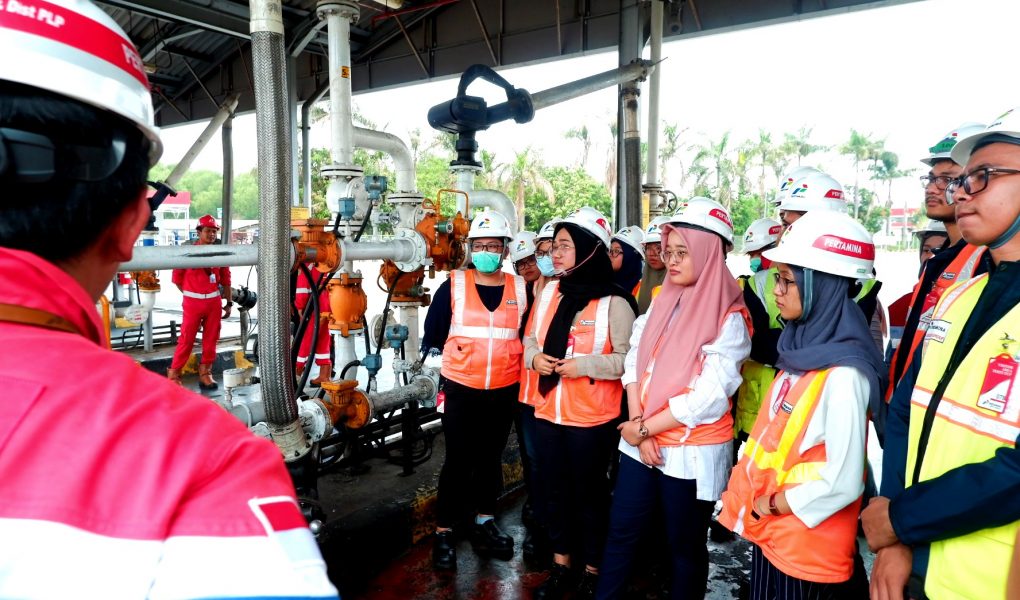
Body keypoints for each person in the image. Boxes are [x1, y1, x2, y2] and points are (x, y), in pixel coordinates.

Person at [0, 2, 338, 596]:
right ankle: (186, 371)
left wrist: (230, 288)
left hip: (216, 305)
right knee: (188, 343)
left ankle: (200, 367)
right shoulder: (204, 465)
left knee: (207, 345)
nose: (207, 236)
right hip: (195, 306)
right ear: (134, 222)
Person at [863, 112, 1020, 600]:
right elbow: (908, 409)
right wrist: (894, 534)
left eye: (983, 176)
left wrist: (901, 520)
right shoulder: (960, 295)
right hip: (917, 567)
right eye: (962, 180)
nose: (962, 192)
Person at [720, 210, 884, 600]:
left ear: (821, 288)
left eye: (787, 281)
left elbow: (843, 482)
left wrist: (774, 503)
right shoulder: (800, 352)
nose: (776, 290)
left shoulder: (844, 374)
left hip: (807, 554)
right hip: (774, 537)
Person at [597, 198, 751, 599]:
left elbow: (708, 399)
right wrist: (639, 431)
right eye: (670, 252)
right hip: (641, 441)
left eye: (683, 253)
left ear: (708, 253)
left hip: (689, 450)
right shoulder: (663, 300)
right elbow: (635, 362)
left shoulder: (730, 318)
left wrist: (644, 428)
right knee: (622, 531)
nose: (672, 260)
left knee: (683, 547)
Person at [524, 207, 637, 599]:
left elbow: (628, 362)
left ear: (589, 250)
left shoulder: (615, 303)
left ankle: (592, 570)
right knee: (553, 493)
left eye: (564, 246)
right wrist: (536, 359)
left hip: (591, 420)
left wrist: (584, 365)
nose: (554, 254)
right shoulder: (550, 291)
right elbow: (530, 342)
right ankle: (561, 566)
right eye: (554, 246)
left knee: (589, 497)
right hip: (548, 412)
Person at [420, 209, 527, 570]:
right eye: (478, 245)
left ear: (505, 251)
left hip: (503, 391)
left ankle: (484, 520)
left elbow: (529, 338)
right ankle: (445, 531)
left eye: (492, 245)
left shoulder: (521, 290)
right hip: (462, 390)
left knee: (490, 459)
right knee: (457, 461)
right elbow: (433, 337)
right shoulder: (454, 286)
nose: (485, 251)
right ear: (469, 248)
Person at [885, 123, 991, 400]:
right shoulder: (941, 257)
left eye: (947, 179)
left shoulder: (985, 259)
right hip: (908, 402)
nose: (934, 188)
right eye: (931, 179)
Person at [733, 218, 784, 447]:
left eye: (759, 252)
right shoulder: (750, 285)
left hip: (781, 396)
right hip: (753, 395)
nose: (754, 259)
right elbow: (749, 341)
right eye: (750, 254)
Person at [168, 214, 233, 389]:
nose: (212, 234)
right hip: (193, 303)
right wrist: (190, 295)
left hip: (214, 303)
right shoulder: (186, 253)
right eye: (208, 231)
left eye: (214, 231)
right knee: (187, 339)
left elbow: (226, 278)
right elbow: (177, 279)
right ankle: (174, 374)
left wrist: (229, 302)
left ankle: (206, 373)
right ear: (199, 232)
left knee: (211, 339)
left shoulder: (220, 253)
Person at [885, 220, 948, 359]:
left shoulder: (959, 302)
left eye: (939, 250)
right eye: (926, 250)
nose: (931, 256)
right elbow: (892, 359)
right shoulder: (901, 305)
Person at [294, 263, 332, 386]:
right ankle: (324, 375)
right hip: (329, 302)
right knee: (323, 339)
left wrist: (300, 306)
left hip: (313, 303)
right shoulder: (327, 262)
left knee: (305, 339)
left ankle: (296, 372)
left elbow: (302, 287)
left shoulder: (307, 263)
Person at [636, 215, 670, 314]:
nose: (651, 253)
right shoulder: (638, 286)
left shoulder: (681, 286)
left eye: (658, 248)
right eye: (648, 248)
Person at [610, 225, 644, 298]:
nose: (610, 255)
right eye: (610, 250)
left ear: (630, 257)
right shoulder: (604, 283)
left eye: (616, 251)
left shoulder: (642, 290)